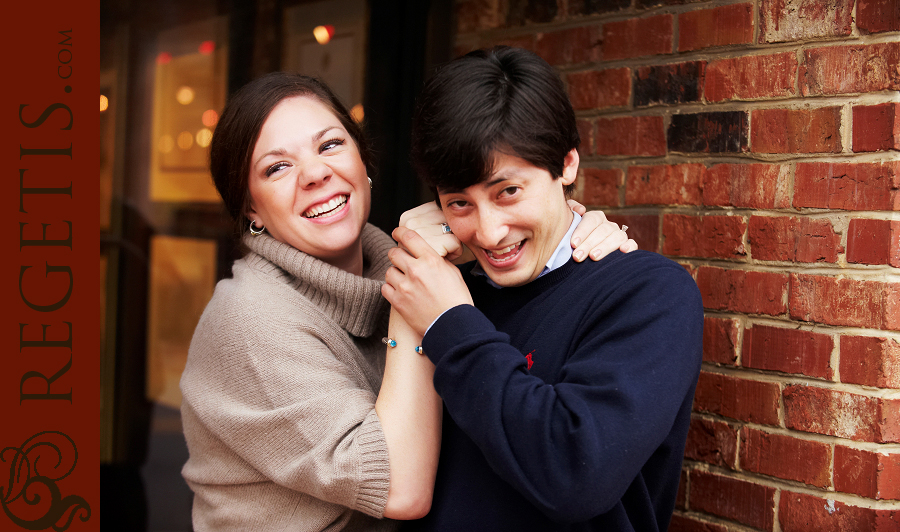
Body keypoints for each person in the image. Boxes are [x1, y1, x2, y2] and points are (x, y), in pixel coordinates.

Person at [179, 72, 635, 531]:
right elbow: (400, 489)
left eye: (331, 145)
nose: (316, 173)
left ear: (363, 160)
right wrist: (413, 297)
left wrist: (571, 234)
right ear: (251, 208)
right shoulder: (250, 319)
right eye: (277, 167)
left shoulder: (413, 273)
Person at [383, 47, 704, 531]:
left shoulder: (650, 294)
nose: (489, 233)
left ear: (567, 164)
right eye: (459, 203)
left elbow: (576, 473)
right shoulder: (440, 289)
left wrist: (451, 324)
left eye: (507, 191)